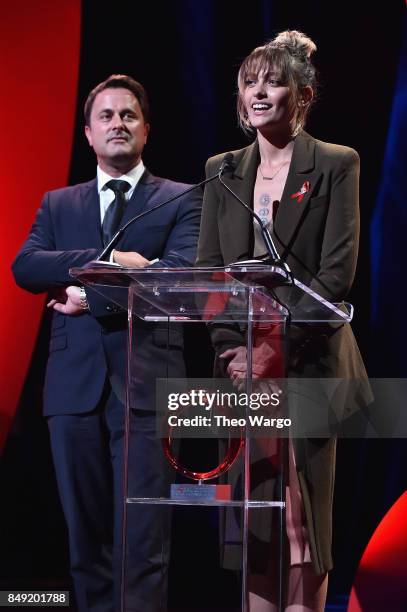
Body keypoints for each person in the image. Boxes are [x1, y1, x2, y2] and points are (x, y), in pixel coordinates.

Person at [12, 74, 202, 612]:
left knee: (144, 543)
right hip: (72, 394)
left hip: (146, 391)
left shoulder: (180, 199)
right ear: (88, 135)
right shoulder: (58, 203)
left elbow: (176, 279)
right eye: (106, 116)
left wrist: (85, 296)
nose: (118, 123)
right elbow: (25, 266)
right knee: (85, 541)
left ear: (146, 130)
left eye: (129, 115)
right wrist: (111, 264)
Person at [196, 31, 370, 611]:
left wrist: (275, 348)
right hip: (242, 371)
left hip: (311, 363)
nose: (260, 92)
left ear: (304, 93)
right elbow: (207, 278)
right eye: (250, 82)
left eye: (273, 81)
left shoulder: (336, 163)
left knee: (303, 525)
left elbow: (336, 275)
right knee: (252, 524)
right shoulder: (220, 171)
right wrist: (233, 351)